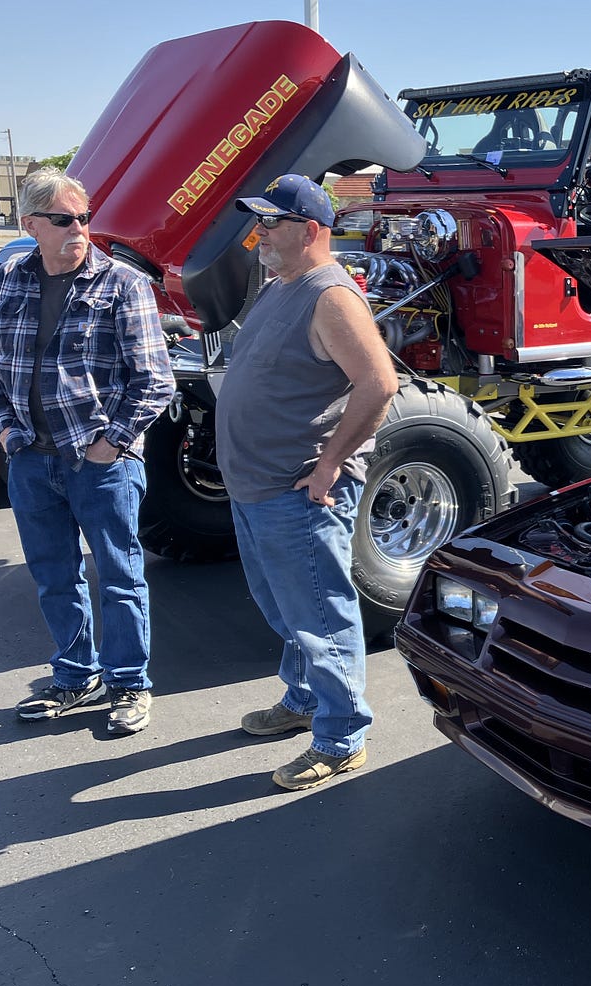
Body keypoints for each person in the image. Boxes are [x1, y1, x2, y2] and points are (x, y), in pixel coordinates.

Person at [0, 168, 173, 734]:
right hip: (31, 460)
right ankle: (74, 676)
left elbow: (155, 380)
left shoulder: (122, 283)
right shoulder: (9, 277)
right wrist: (10, 436)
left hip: (100, 463)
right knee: (54, 577)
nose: (79, 229)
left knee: (120, 576)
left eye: (85, 218)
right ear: (31, 225)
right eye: (64, 220)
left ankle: (129, 682)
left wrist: (111, 445)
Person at [219, 174, 398, 791]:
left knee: (320, 617)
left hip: (298, 490)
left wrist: (329, 465)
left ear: (311, 230)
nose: (260, 232)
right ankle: (303, 700)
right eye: (259, 221)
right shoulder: (281, 286)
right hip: (256, 487)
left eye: (272, 222)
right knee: (287, 610)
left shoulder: (331, 296)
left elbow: (379, 384)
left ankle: (341, 736)